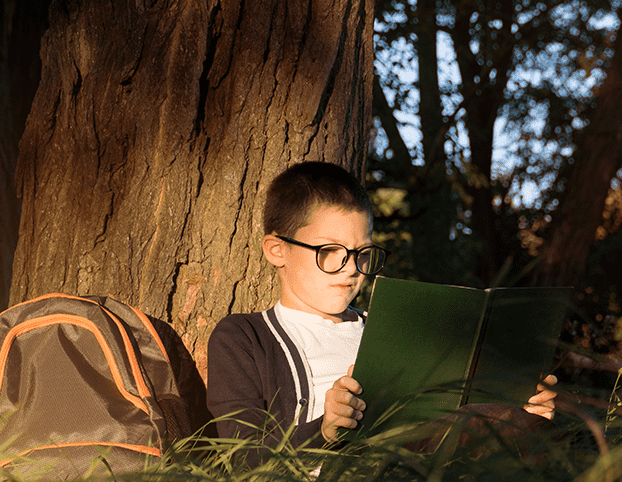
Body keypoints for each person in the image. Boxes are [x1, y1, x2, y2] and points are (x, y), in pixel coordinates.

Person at [206, 161, 557, 464]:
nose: (350, 268)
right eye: (330, 251)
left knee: (528, 421)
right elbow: (245, 459)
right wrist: (325, 429)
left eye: (361, 252)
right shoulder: (243, 337)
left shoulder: (390, 328)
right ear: (277, 250)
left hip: (432, 465)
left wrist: (522, 412)